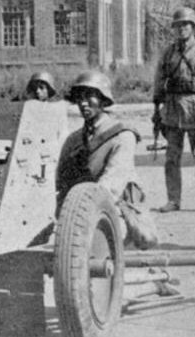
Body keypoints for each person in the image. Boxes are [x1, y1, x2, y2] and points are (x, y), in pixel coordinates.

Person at [57, 71, 157, 249]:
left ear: (103, 100)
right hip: (79, 214)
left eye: (90, 96)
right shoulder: (73, 140)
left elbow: (112, 184)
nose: (83, 103)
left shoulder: (123, 136)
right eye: (79, 97)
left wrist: (80, 215)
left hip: (115, 211)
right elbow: (62, 183)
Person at [152, 7, 195, 213]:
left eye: (185, 25)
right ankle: (173, 200)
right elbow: (159, 79)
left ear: (193, 27)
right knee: (171, 159)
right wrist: (157, 105)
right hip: (172, 108)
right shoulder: (168, 52)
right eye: (178, 26)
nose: (181, 29)